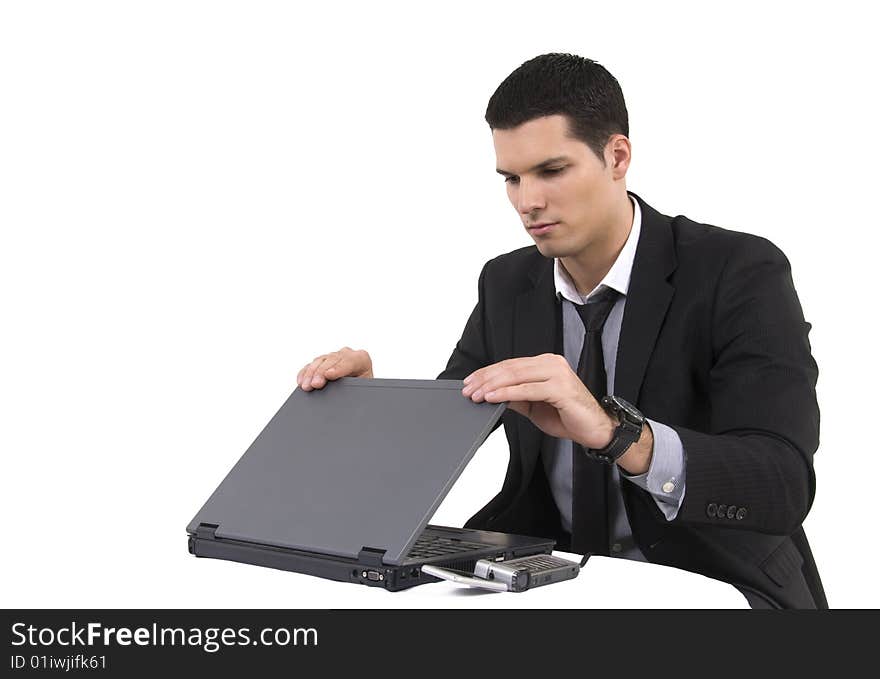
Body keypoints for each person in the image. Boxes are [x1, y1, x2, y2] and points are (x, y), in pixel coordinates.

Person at [295, 53, 826, 609]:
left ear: (617, 156)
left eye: (551, 171)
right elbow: (448, 422)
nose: (528, 202)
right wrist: (365, 402)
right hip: (548, 580)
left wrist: (615, 433)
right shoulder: (506, 282)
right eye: (512, 179)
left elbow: (782, 483)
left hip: (707, 578)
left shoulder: (738, 271)